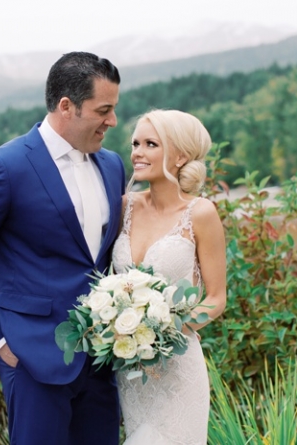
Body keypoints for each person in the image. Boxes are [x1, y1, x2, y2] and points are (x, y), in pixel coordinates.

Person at [0, 52, 126, 445]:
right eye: (103, 110)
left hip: (102, 359)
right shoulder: (3, 167)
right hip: (32, 359)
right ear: (66, 106)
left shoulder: (113, 166)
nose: (113, 121)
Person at [111, 109, 227, 445]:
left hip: (177, 367)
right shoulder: (124, 207)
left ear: (180, 156)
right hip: (131, 371)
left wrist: (164, 333)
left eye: (151, 144)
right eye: (135, 144)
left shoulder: (200, 213)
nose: (137, 152)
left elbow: (216, 298)